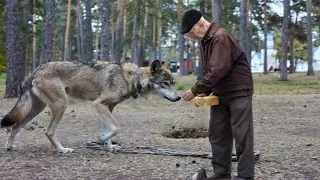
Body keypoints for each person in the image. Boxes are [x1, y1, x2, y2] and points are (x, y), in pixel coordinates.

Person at [180, 9, 254, 180]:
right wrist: (205, 90)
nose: (191, 37)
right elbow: (210, 70)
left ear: (200, 24)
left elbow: (218, 69)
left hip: (238, 92)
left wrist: (195, 90)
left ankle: (245, 176)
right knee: (218, 134)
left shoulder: (220, 37)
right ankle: (221, 174)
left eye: (191, 32)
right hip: (220, 93)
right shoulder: (206, 40)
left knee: (242, 135)